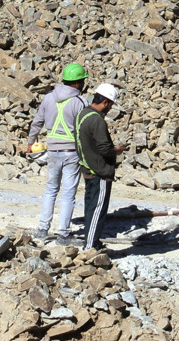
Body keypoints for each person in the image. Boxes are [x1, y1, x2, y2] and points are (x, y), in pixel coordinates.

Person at [27, 63, 90, 244]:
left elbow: (37, 122)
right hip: (72, 153)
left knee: (51, 189)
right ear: (77, 83)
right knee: (68, 193)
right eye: (82, 81)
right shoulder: (81, 102)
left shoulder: (48, 98)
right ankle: (64, 234)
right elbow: (85, 129)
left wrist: (30, 142)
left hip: (53, 151)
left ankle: (42, 229)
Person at [75, 83, 123, 251]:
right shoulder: (97, 120)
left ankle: (92, 242)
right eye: (110, 105)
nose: (110, 108)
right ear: (105, 102)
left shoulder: (83, 114)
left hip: (88, 168)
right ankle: (90, 247)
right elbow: (104, 148)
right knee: (97, 209)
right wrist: (116, 150)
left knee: (91, 207)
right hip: (99, 171)